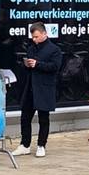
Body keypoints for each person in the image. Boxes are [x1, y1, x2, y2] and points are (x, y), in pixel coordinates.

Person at [10, 22, 60, 157]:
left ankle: (41, 145)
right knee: (25, 117)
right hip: (30, 87)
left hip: (44, 88)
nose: (34, 39)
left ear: (44, 34)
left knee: (44, 118)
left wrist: (38, 64)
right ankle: (24, 144)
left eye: (37, 36)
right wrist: (27, 64)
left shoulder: (54, 49)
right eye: (33, 37)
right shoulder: (31, 48)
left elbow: (55, 67)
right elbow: (28, 68)